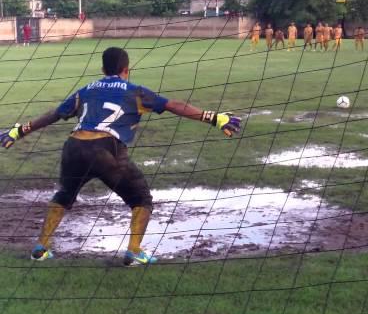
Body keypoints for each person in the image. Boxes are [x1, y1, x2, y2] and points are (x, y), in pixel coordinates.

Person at [0, 47, 241, 265]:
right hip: (106, 149)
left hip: (73, 147)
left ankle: (41, 249)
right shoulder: (134, 91)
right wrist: (213, 118)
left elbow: (53, 115)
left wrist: (18, 131)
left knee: (64, 194)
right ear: (127, 69)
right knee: (142, 199)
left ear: (103, 69)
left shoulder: (86, 90)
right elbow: (172, 105)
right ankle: (134, 251)